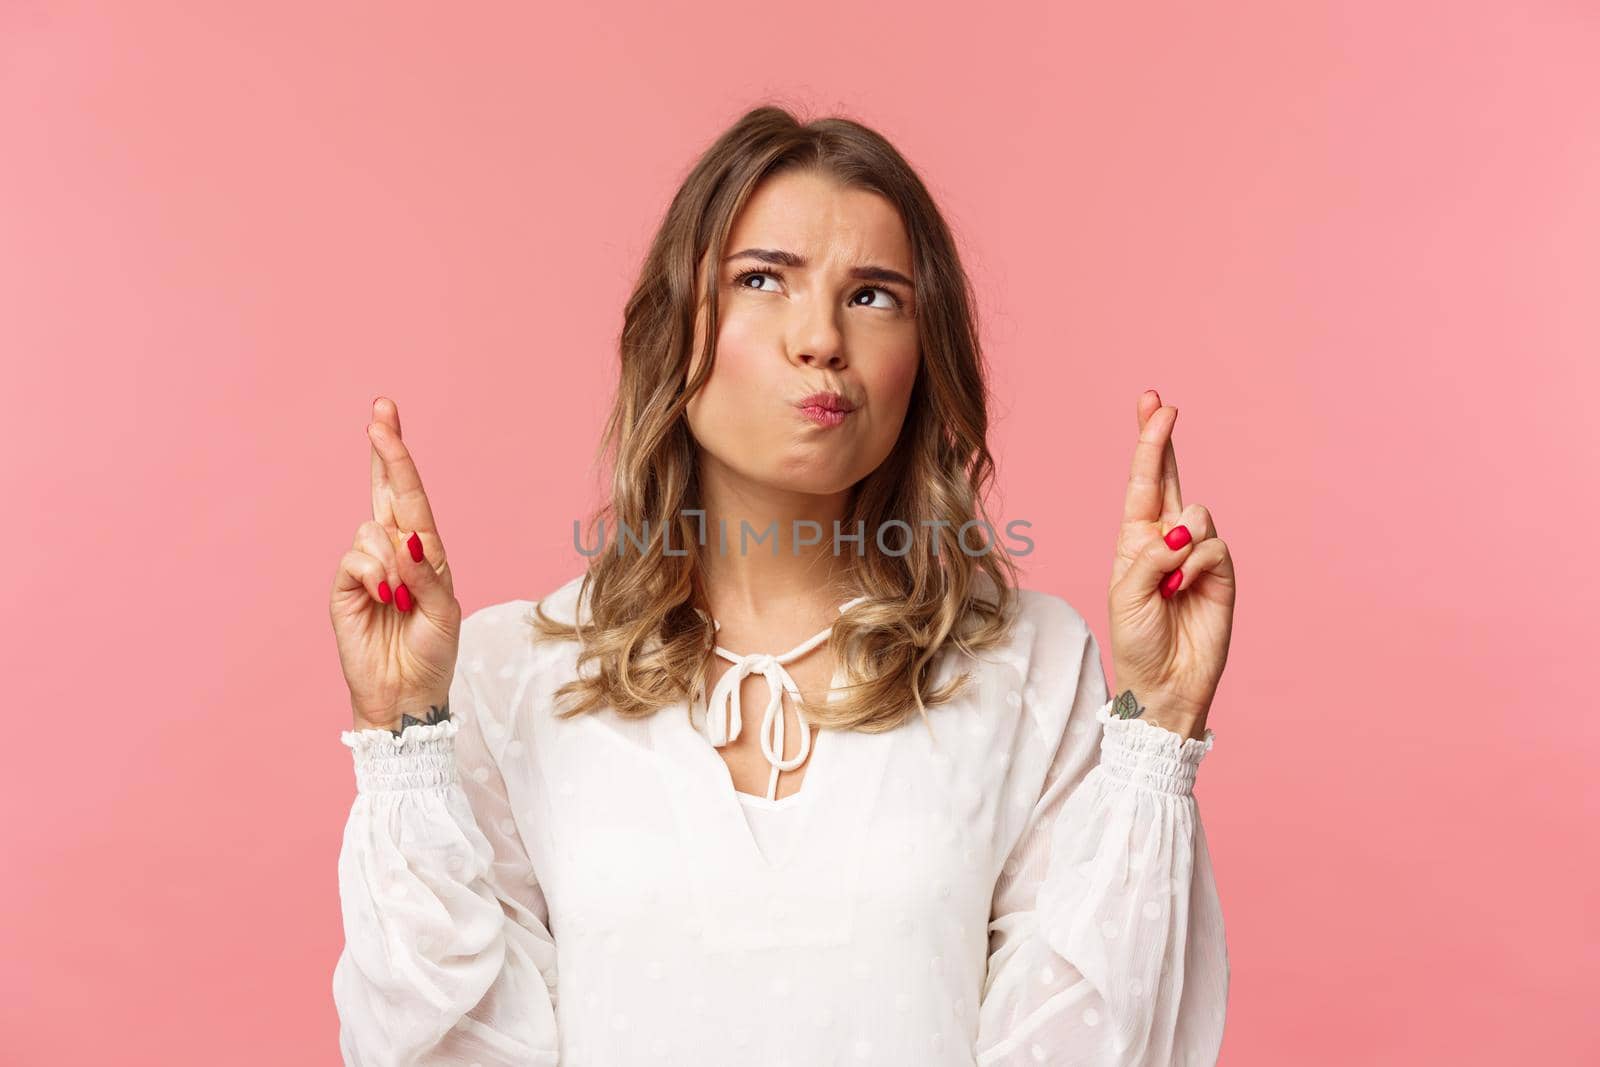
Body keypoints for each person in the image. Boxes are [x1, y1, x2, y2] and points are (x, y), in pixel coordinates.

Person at [327, 106, 1235, 1066]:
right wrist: (400, 731)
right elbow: (450, 1048)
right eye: (762, 280)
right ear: (674, 327)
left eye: (875, 296)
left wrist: (1161, 720)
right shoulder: (513, 672)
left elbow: (1090, 1043)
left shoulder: (1030, 663)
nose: (821, 339)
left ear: (924, 359)